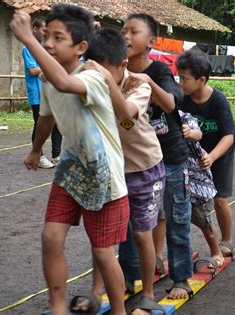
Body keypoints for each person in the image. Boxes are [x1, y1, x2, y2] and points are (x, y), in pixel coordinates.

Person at [10, 5, 129, 315]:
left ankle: (118, 311)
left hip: (104, 175)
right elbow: (47, 118)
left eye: (58, 37)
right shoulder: (49, 81)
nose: (48, 42)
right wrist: (36, 149)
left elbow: (65, 84)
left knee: (103, 252)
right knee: (50, 238)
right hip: (71, 169)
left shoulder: (91, 77)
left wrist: (27, 39)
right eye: (45, 35)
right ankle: (58, 308)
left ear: (81, 47)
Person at [71, 28, 166, 314]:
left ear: (123, 65)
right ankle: (97, 290)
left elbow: (125, 113)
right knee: (102, 236)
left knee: (141, 234)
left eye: (104, 72)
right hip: (110, 169)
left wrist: (101, 76)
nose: (97, 78)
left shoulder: (140, 85)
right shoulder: (89, 83)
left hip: (144, 168)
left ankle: (147, 293)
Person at [121, 13, 193, 300]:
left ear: (151, 41)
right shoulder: (117, 70)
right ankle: (129, 277)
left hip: (171, 157)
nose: (125, 36)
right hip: (134, 161)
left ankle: (181, 279)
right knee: (126, 222)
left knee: (176, 218)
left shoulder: (160, 71)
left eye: (133, 31)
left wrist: (144, 81)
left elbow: (173, 103)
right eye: (123, 31)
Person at [177, 51, 235, 262]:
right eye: (179, 77)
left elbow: (229, 136)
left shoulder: (218, 100)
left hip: (219, 152)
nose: (180, 82)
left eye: (184, 78)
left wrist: (211, 157)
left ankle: (227, 240)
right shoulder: (181, 99)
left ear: (201, 80)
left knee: (219, 199)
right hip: (194, 155)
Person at [21, 16, 60, 169]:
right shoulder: (28, 48)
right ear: (35, 29)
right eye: (44, 30)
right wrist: (50, 69)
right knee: (39, 124)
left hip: (52, 90)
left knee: (57, 124)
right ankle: (39, 155)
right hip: (37, 93)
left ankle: (57, 155)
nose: (46, 34)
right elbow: (32, 70)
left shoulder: (48, 47)